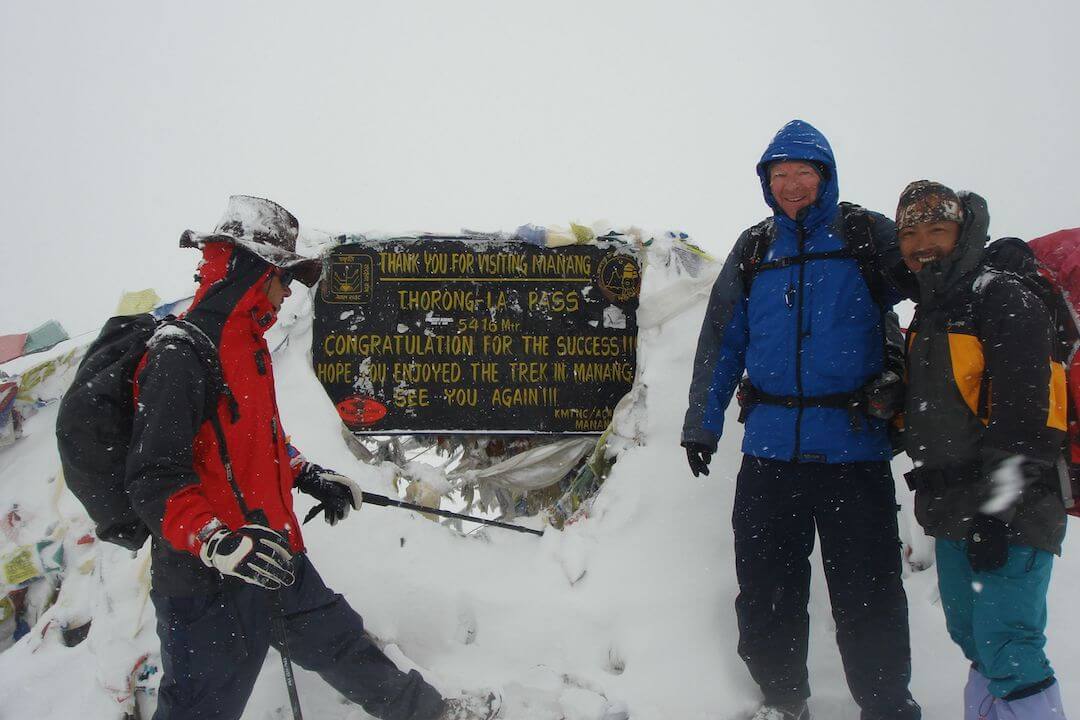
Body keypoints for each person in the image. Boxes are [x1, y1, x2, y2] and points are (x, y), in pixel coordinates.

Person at [126, 196, 498, 720]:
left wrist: (309, 474)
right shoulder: (179, 352)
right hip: (211, 582)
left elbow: (259, 441)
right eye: (283, 278)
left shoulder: (249, 347)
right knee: (198, 709)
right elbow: (153, 479)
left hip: (276, 555)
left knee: (345, 646)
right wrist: (216, 541)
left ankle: (430, 714)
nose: (287, 292)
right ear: (248, 270)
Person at [682, 120, 920, 720]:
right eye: (779, 175)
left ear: (826, 176)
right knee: (766, 592)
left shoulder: (865, 234)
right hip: (769, 456)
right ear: (766, 182)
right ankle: (784, 701)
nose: (791, 185)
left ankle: (887, 705)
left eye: (802, 173)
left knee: (868, 595)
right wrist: (701, 424)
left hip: (854, 453)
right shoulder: (756, 247)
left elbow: (928, 283)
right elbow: (723, 340)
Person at [895, 181, 1068, 719]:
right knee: (973, 635)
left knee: (1009, 645)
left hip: (1012, 506)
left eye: (937, 229)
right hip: (954, 510)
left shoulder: (1001, 296)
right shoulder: (932, 307)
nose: (923, 242)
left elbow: (1031, 418)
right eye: (911, 232)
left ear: (962, 231)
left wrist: (997, 512)